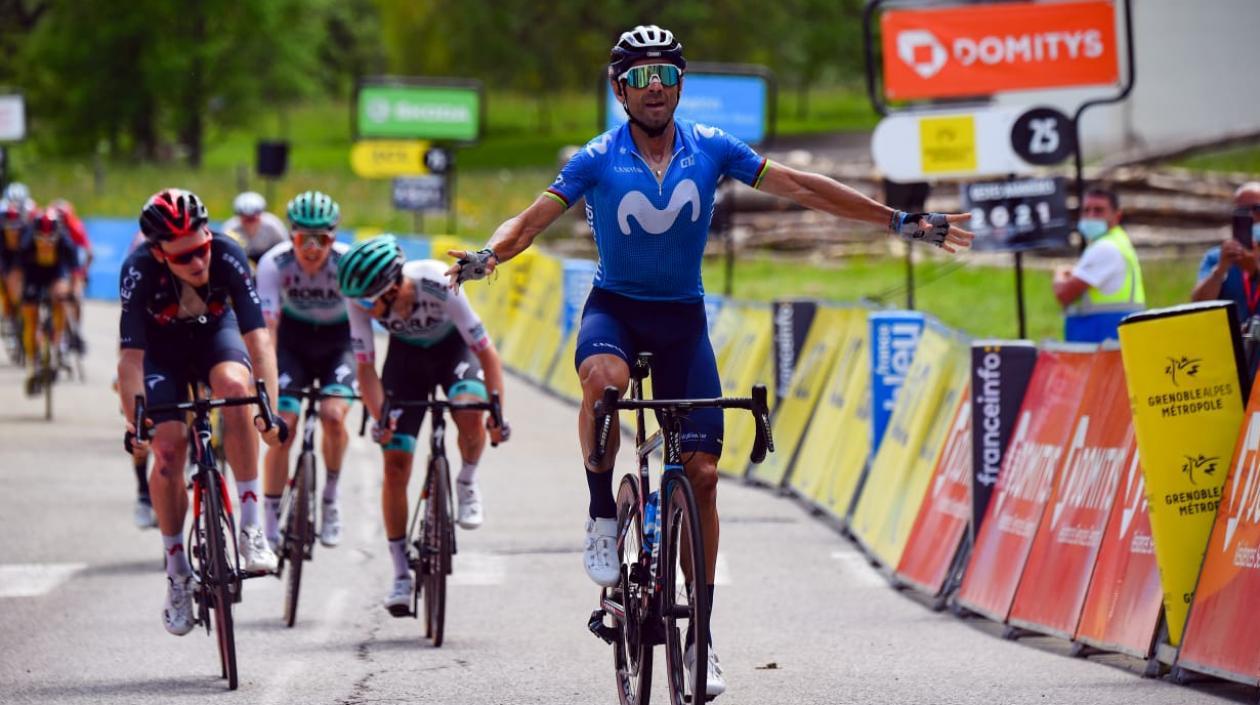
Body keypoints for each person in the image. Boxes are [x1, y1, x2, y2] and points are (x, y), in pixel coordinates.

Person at [445, 24, 972, 699]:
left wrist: (897, 220)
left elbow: (804, 188)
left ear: (681, 82)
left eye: (665, 73)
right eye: (639, 76)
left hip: (682, 321)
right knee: (603, 383)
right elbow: (526, 223)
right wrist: (489, 255)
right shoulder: (596, 158)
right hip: (616, 308)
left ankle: (704, 635)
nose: (655, 86)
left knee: (702, 474)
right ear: (619, 89)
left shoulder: (713, 149)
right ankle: (603, 511)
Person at [116, 188, 286, 637]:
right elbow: (130, 362)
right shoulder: (137, 271)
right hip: (162, 353)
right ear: (158, 253)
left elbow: (259, 340)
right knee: (168, 450)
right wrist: (137, 422)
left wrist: (267, 405)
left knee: (235, 388)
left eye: (203, 247)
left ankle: (252, 527)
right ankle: (176, 572)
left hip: (216, 337)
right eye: (185, 256)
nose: (199, 262)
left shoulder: (228, 255)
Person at [337, 235, 509, 616]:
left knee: (469, 409)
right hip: (406, 362)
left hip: (453, 351)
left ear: (395, 285)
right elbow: (365, 369)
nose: (366, 309)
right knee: (395, 463)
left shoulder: (435, 279)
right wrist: (381, 418)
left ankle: (466, 480)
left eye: (372, 301)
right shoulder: (358, 299)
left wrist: (497, 412)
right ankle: (400, 573)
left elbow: (486, 351)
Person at [256, 191, 355, 550]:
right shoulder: (274, 263)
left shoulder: (347, 263)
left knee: (333, 416)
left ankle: (329, 496)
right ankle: (268, 524)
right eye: (303, 239)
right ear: (291, 236)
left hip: (338, 343)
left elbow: (362, 330)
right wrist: (265, 389)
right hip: (292, 343)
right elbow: (267, 330)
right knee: (284, 426)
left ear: (333, 237)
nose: (312, 248)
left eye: (322, 239)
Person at [1052, 185, 1146, 343]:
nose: (1091, 216)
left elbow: (1064, 294)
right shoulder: (1117, 241)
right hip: (1113, 340)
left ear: (1117, 215)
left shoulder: (1105, 247)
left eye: (1099, 210)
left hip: (1102, 342)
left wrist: (1059, 274)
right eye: (1086, 210)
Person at [17, 208, 78, 394]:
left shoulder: (65, 242)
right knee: (29, 314)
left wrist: (69, 291)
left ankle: (58, 343)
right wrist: (24, 298)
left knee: (60, 296)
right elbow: (18, 272)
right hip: (33, 274)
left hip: (55, 273)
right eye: (41, 240)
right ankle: (32, 360)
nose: (45, 245)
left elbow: (74, 271)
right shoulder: (26, 242)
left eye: (50, 240)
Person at [1192, 182, 1260, 321]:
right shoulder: (1216, 257)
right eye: (1243, 211)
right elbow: (1198, 306)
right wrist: (1220, 270)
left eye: (1258, 209)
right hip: (1233, 341)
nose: (1251, 217)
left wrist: (1255, 272)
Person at [223, 191, 289, 266]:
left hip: (271, 260)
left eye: (253, 219)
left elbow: (285, 248)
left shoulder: (273, 226)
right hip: (242, 261)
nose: (250, 224)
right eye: (246, 219)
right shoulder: (230, 229)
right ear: (239, 217)